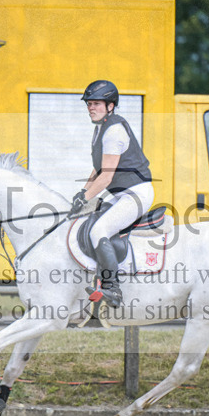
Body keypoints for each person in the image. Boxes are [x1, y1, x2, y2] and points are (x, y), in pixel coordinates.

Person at [69, 80, 154, 307]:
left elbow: (106, 177)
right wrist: (83, 192)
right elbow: (98, 169)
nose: (91, 107)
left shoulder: (114, 130)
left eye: (96, 103)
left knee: (99, 230)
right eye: (89, 104)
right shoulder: (100, 129)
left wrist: (85, 198)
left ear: (111, 106)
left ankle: (112, 289)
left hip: (136, 194)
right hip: (121, 194)